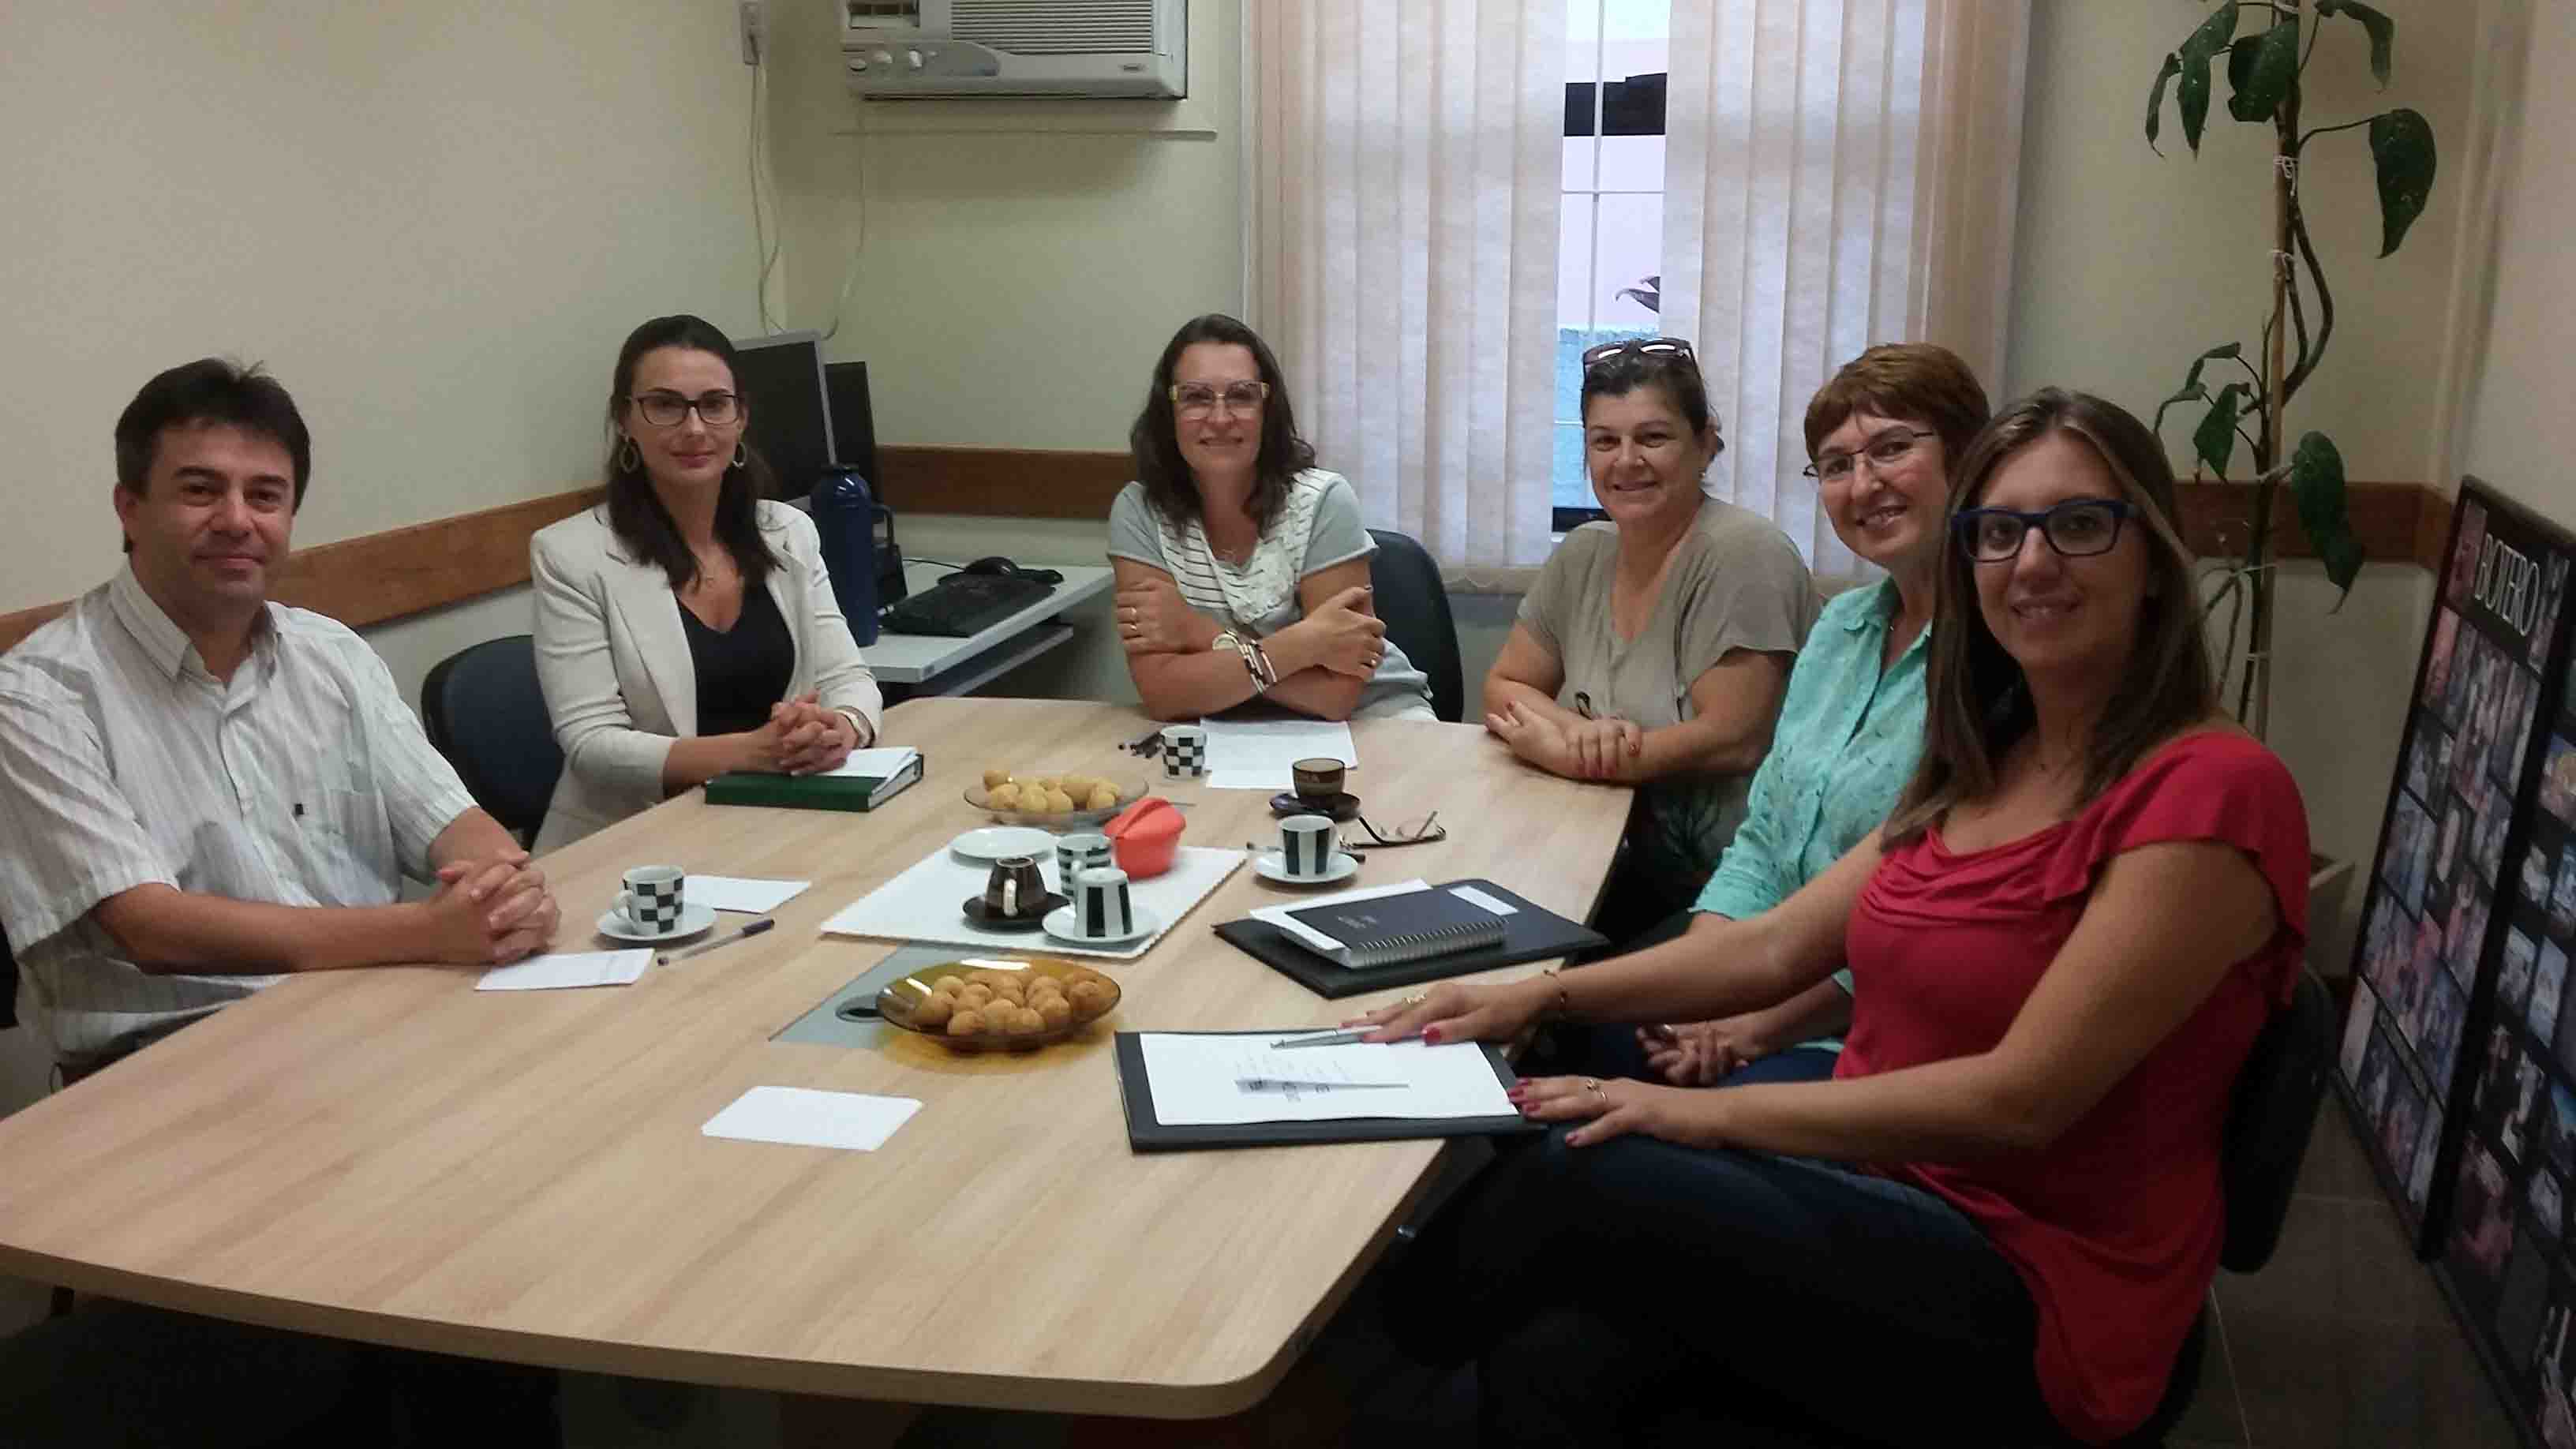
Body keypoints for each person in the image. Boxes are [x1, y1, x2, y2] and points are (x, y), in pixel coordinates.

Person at [1361, 388, 2312, 1447]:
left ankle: (1340, 1381)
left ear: (2156, 556)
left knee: (1585, 1171)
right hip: (1887, 1183)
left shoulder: (2212, 791)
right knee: (1564, 1351)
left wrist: (1689, 1114)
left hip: (2034, 1285)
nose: (2033, 563)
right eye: (2000, 533)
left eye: (2079, 524)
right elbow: (1775, 945)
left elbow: (2020, 1103)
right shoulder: (1984, 758)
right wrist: (1532, 998)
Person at [0, 359, 561, 1079]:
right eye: (200, 490)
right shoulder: (38, 695)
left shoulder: (330, 653)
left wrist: (506, 893)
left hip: (375, 1018)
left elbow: (449, 820)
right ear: (129, 508)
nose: (237, 520)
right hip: (173, 1064)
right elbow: (150, 928)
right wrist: (428, 930)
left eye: (265, 496)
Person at [1627, 343, 1991, 1088]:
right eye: (1836, 465)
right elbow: (1765, 841)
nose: (1865, 483)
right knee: (1558, 1039)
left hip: (1874, 1037)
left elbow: (1926, 920)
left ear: (1967, 456)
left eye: (1891, 449)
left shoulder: (2000, 658)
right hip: (1760, 972)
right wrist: (1703, 986)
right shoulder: (1840, 628)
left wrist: (1746, 1029)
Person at [1482, 337, 1817, 939]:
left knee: (1544, 978)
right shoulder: (1584, 552)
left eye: (1653, 438)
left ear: (1706, 444)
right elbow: (1505, 685)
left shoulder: (1745, 553)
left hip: (1734, 891)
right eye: (1604, 441)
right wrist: (1581, 734)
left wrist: (1575, 757)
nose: (1626, 461)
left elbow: (1734, 740)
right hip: (1615, 856)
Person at [530, 314, 883, 852]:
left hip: (777, 818)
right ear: (625, 419)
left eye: (715, 404)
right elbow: (592, 744)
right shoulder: (571, 555)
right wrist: (751, 753)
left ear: (741, 417)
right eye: (665, 405)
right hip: (634, 843)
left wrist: (840, 728)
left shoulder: (789, 532)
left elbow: (847, 676)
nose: (694, 428)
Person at [1106, 313, 1436, 722]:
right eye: (1196, 397)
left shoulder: (1324, 501)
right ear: (1167, 412)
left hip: (1373, 718)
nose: (1220, 418)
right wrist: (1307, 644)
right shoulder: (1138, 512)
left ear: (1268, 409)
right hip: (1220, 728)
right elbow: (1164, 694)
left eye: (1242, 395)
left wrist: (1200, 633)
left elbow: (1335, 697)